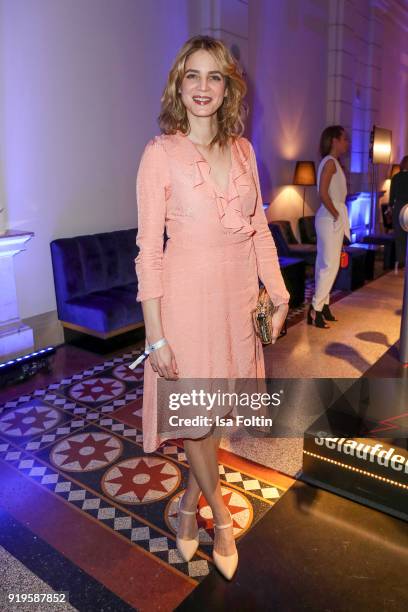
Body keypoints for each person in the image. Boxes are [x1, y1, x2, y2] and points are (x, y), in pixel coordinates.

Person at [134, 35, 289, 580]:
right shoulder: (161, 154)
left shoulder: (245, 151)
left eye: (214, 77)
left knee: (215, 414)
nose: (203, 87)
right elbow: (148, 252)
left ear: (228, 87)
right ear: (179, 84)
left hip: (237, 301)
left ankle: (183, 506)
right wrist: (155, 335)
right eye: (192, 76)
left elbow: (259, 233)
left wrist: (279, 292)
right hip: (187, 306)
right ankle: (218, 517)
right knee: (197, 423)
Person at [308, 125, 350, 328]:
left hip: (329, 218)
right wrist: (336, 214)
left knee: (325, 265)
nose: (347, 143)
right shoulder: (331, 163)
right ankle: (315, 309)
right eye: (344, 139)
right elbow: (323, 193)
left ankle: (323, 305)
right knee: (329, 265)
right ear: (334, 140)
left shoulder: (332, 162)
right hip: (329, 218)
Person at [390, 155, 408, 272]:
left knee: (399, 236)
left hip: (399, 207)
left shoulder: (395, 178)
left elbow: (392, 197)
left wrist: (392, 207)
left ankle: (400, 260)